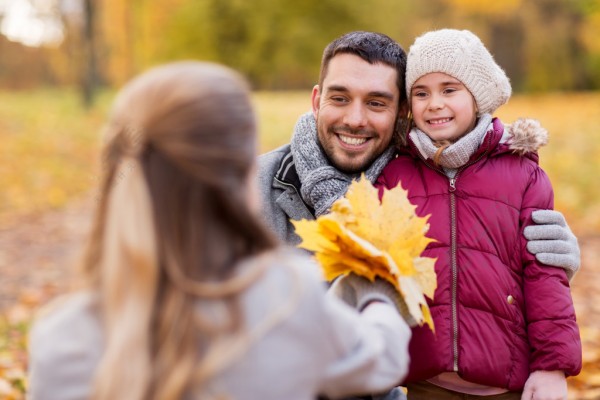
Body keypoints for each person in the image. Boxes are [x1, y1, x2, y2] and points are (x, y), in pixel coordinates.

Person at [27, 61, 414, 400]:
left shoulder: (60, 340)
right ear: (243, 173)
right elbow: (383, 361)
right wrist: (374, 290)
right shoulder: (285, 298)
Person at [257, 31, 580, 277]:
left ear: (402, 112)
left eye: (376, 103)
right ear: (316, 101)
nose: (355, 120)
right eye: (340, 98)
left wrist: (542, 265)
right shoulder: (250, 187)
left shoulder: (425, 189)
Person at [376, 29, 582, 399]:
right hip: (428, 381)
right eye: (421, 93)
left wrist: (552, 367)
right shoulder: (396, 175)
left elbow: (545, 277)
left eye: (449, 89)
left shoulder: (522, 174)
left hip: (506, 380)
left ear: (477, 95)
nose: (434, 103)